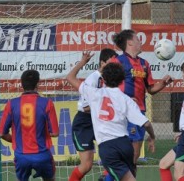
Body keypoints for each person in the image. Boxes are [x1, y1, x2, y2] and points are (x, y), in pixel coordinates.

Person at [66, 51, 156, 181]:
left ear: (104, 79)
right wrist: (152, 137)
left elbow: (70, 77)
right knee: (127, 175)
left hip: (108, 147)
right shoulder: (126, 99)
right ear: (122, 80)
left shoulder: (94, 94)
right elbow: (146, 123)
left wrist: (82, 62)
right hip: (125, 145)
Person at [109, 29, 172, 170]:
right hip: (123, 113)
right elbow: (107, 85)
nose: (140, 41)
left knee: (135, 155)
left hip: (139, 113)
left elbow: (150, 89)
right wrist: (123, 99)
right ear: (130, 42)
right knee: (125, 153)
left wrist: (163, 83)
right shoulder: (117, 61)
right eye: (138, 39)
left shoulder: (144, 64)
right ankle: (111, 176)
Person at [0, 70, 59, 181]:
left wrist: (17, 140)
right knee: (51, 178)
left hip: (21, 156)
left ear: (22, 85)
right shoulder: (47, 103)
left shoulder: (11, 104)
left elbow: (1, 133)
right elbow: (55, 133)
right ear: (38, 84)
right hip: (42, 155)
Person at [69, 48, 118, 181]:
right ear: (102, 63)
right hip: (85, 123)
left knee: (114, 156)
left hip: (100, 121)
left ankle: (105, 177)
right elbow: (85, 107)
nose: (114, 65)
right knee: (86, 165)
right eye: (111, 62)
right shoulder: (93, 79)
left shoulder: (112, 80)